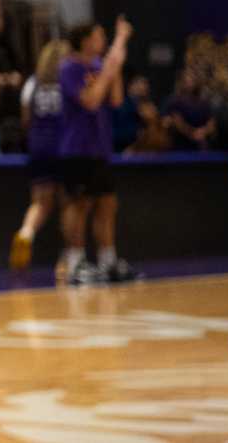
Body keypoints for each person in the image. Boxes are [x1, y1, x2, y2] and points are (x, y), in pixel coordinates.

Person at [58, 18, 136, 284]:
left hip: (100, 147)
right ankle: (76, 262)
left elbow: (115, 99)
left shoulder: (100, 66)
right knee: (78, 204)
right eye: (99, 36)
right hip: (76, 148)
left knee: (107, 203)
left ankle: (107, 260)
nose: (103, 41)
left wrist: (115, 66)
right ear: (86, 40)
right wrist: (109, 67)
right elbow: (90, 101)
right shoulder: (69, 67)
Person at [8, 38, 69, 272]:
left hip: (38, 148)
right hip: (63, 148)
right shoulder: (67, 82)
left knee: (40, 202)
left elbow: (26, 119)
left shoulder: (33, 83)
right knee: (67, 204)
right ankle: (66, 259)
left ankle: (26, 233)